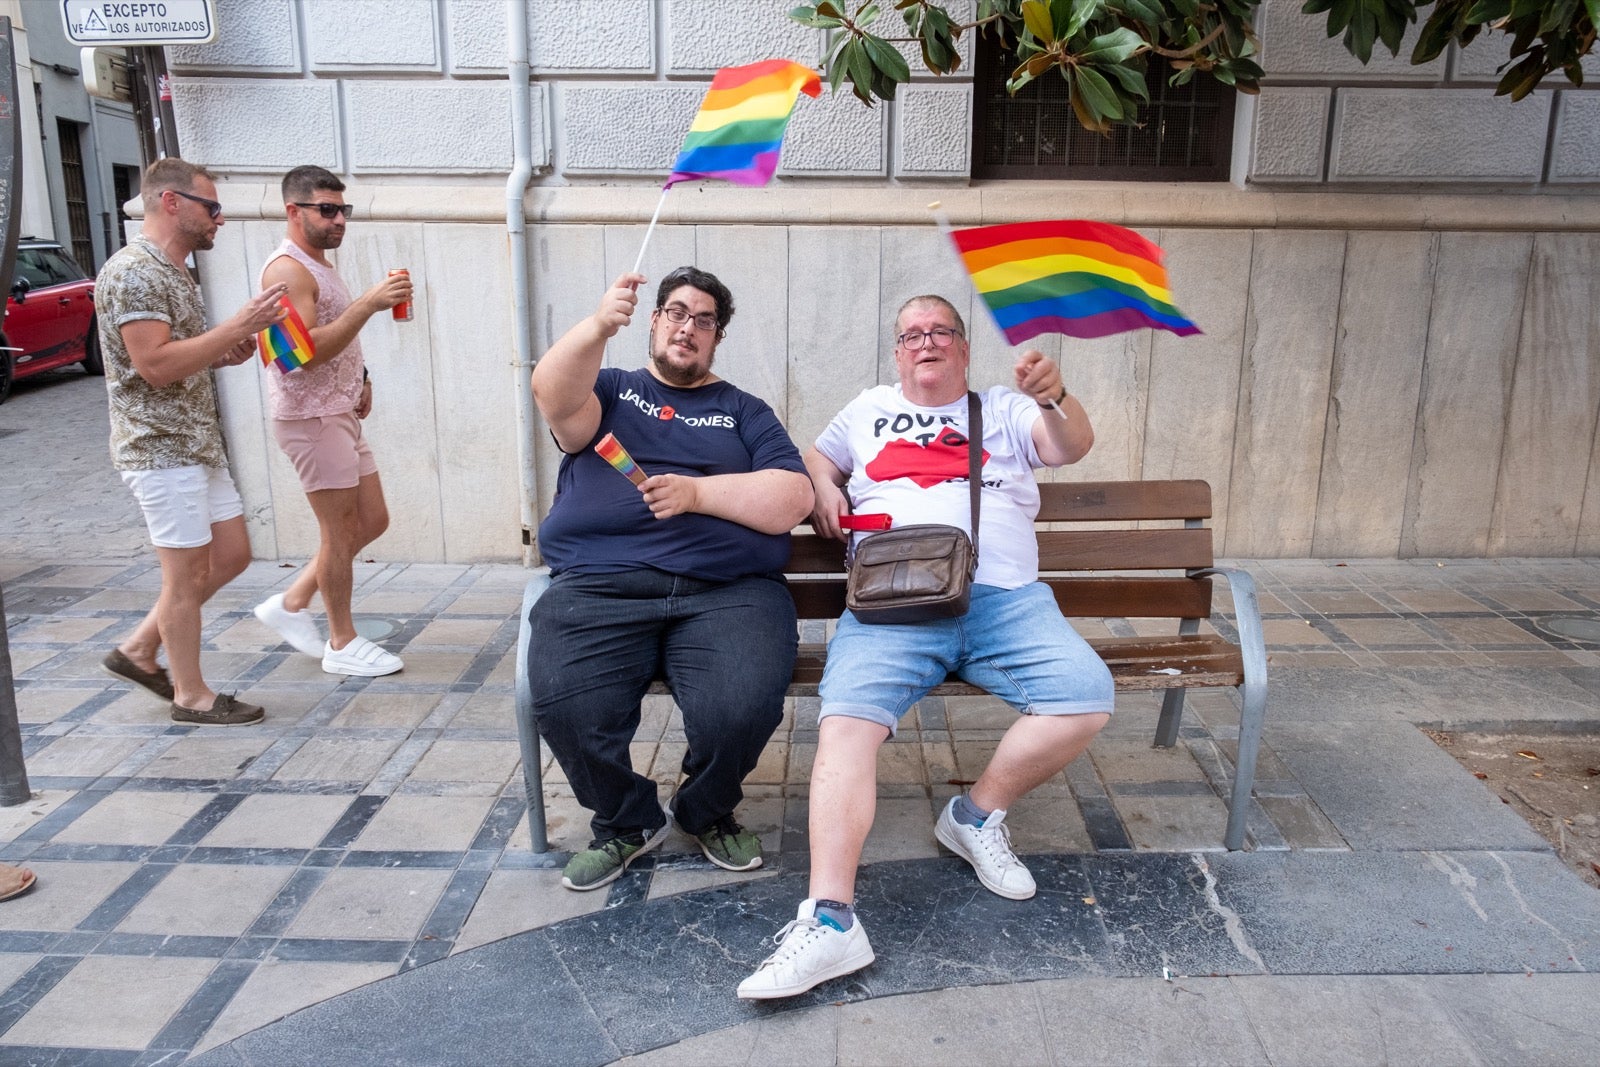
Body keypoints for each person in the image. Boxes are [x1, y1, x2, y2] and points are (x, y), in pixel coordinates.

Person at [737, 295, 1115, 1000]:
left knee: (1085, 693)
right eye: (912, 334)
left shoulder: (1001, 408)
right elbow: (817, 455)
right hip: (894, 599)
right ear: (897, 351)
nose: (926, 342)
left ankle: (974, 815)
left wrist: (1057, 395)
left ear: (964, 349)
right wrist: (823, 483)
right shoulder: (869, 408)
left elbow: (1070, 444)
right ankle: (830, 920)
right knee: (846, 725)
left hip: (1004, 598)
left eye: (941, 331)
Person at [527, 267, 813, 892]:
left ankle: (705, 810)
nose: (689, 327)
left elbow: (793, 496)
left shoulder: (743, 409)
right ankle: (624, 820)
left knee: (739, 709)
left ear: (717, 337)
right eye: (677, 313)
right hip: (599, 586)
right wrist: (600, 324)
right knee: (567, 703)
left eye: (704, 320)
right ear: (654, 321)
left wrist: (696, 493)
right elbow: (551, 394)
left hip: (729, 592)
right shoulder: (608, 389)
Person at [96, 158, 293, 726]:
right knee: (183, 578)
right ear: (172, 203)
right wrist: (233, 329)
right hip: (159, 449)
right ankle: (191, 695)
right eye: (212, 208)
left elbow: (180, 354)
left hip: (194, 445)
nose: (220, 219)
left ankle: (137, 650)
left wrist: (224, 347)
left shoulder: (173, 271)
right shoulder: (135, 271)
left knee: (231, 555)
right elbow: (153, 365)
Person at [250, 166, 412, 677]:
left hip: (336, 412)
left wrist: (360, 376)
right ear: (293, 211)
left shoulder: (317, 264)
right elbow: (293, 357)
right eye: (327, 209)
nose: (339, 219)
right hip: (310, 418)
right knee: (338, 532)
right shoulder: (287, 271)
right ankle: (341, 642)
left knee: (373, 520)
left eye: (343, 210)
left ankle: (291, 602)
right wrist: (367, 304)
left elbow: (329, 340)